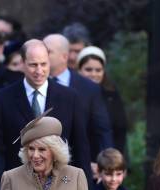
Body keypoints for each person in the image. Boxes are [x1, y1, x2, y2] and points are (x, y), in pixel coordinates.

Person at [0, 39, 90, 180]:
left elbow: (80, 149)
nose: (39, 71)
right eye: (33, 65)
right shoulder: (1, 99)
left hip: (60, 184)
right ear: (22, 64)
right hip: (17, 186)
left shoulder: (69, 98)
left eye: (44, 64)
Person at [44, 34, 112, 177]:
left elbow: (102, 129)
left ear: (64, 56)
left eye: (48, 51)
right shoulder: (36, 85)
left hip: (78, 167)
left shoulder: (89, 88)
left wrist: (106, 164)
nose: (43, 55)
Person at [78, 46, 128, 158]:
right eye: (88, 69)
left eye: (98, 70)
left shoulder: (112, 94)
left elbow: (120, 129)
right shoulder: (72, 94)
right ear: (79, 70)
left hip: (108, 159)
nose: (94, 74)